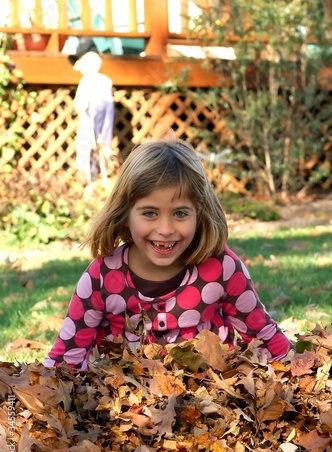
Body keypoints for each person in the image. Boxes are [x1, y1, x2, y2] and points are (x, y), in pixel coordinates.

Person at [44, 131, 292, 370]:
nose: (165, 229)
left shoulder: (221, 267)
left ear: (200, 213)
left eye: (180, 213)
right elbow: (66, 359)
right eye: (150, 213)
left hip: (211, 400)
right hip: (123, 406)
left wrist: (303, 370)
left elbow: (264, 337)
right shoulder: (101, 276)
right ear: (125, 213)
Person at [72, 49, 115, 185]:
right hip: (100, 115)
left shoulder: (89, 81)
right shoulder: (106, 81)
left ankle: (94, 176)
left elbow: (80, 103)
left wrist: (82, 114)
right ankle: (95, 176)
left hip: (93, 114)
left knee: (92, 143)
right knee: (98, 143)